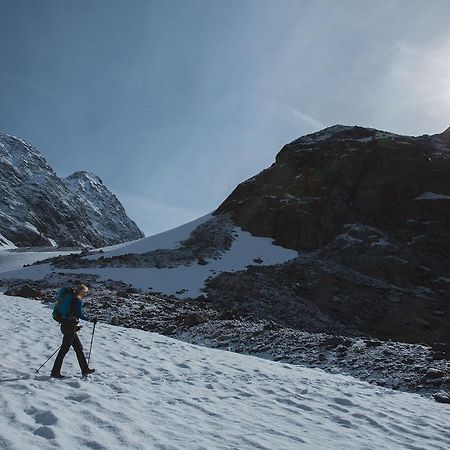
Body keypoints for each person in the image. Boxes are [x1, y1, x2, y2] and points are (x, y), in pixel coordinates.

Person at [51, 284, 98, 378]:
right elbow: (79, 314)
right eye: (85, 292)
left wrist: (74, 326)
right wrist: (90, 319)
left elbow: (72, 314)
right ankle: (55, 372)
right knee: (64, 350)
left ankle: (85, 369)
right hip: (69, 327)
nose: (85, 294)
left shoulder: (72, 299)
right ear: (82, 292)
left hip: (67, 326)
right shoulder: (77, 300)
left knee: (78, 348)